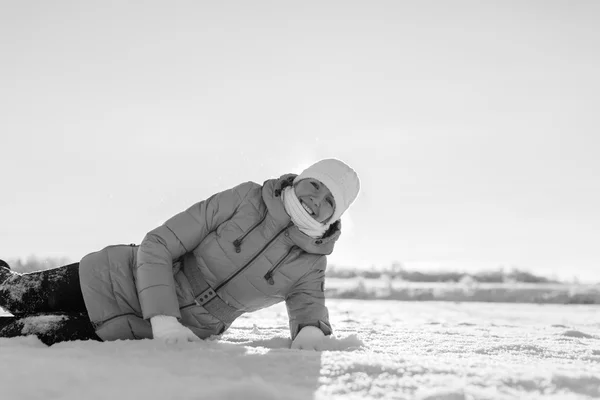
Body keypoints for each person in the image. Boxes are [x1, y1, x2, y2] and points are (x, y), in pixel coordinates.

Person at [0, 158, 360, 349]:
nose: (316, 199)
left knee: (15, 334)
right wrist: (164, 317)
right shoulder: (247, 199)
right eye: (315, 184)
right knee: (13, 292)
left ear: (334, 215)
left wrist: (311, 332)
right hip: (118, 277)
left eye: (329, 200)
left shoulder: (311, 261)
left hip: (142, 330)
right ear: (300, 179)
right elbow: (158, 243)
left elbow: (308, 306)